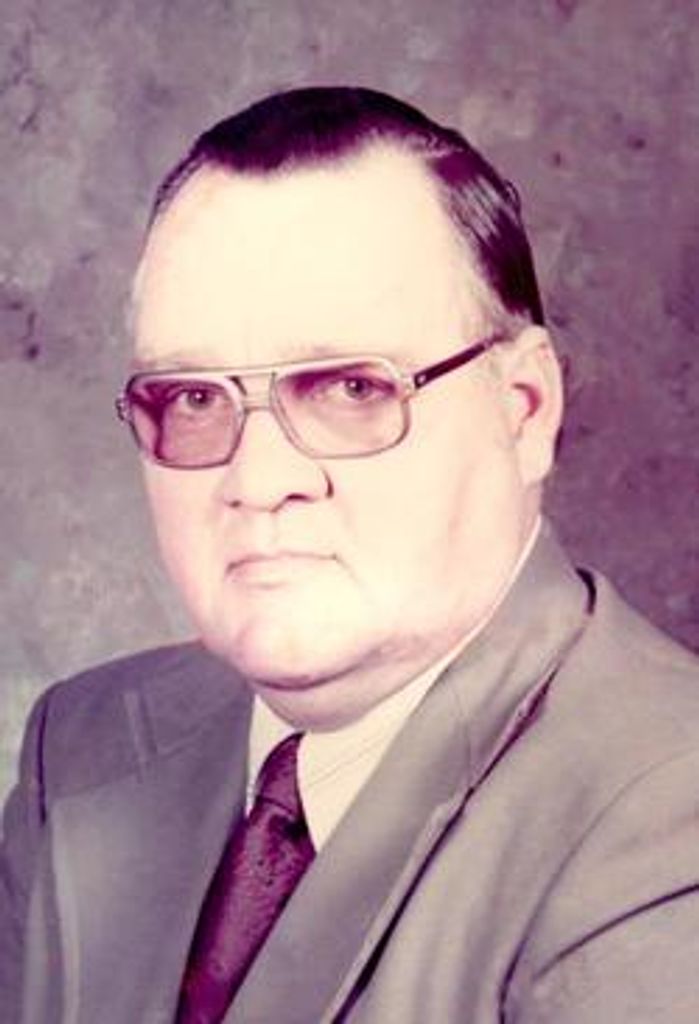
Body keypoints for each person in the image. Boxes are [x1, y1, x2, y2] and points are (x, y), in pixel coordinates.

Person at [2, 86, 699, 1024]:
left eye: (350, 389)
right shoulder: (80, 745)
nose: (259, 478)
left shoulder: (669, 820)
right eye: (195, 397)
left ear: (523, 410)